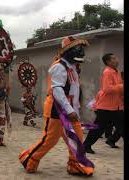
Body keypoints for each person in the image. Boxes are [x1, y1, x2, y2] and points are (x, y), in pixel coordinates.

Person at [19, 36, 94, 176]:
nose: (82, 53)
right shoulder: (59, 66)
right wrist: (69, 109)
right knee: (50, 140)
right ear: (68, 50)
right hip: (57, 109)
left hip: (70, 109)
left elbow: (74, 91)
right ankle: (29, 158)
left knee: (76, 138)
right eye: (78, 49)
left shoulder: (72, 67)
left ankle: (75, 164)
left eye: (82, 49)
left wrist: (76, 109)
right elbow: (57, 90)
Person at [83, 53, 124, 154]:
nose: (116, 60)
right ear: (108, 62)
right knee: (98, 129)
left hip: (116, 106)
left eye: (116, 58)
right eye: (113, 59)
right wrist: (122, 86)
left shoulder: (117, 72)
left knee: (122, 126)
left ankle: (110, 140)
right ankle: (85, 146)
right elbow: (107, 89)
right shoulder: (108, 72)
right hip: (106, 107)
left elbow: (118, 88)